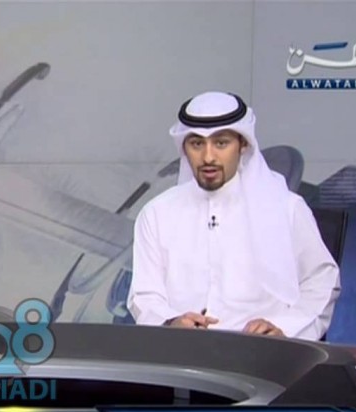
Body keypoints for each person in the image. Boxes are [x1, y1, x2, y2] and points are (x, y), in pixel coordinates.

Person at [126, 91, 340, 340]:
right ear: (184, 147)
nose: (208, 157)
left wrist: (284, 328)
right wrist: (171, 322)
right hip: (182, 354)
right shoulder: (157, 213)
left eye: (221, 143)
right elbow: (144, 295)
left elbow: (322, 281)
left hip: (264, 355)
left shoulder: (286, 208)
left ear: (243, 144)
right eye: (197, 144)